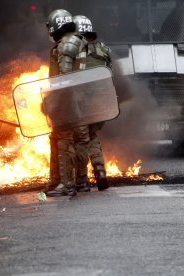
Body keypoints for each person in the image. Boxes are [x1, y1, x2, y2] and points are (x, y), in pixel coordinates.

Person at [44, 9, 88, 197]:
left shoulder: (66, 44)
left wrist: (53, 103)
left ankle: (67, 185)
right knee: (73, 140)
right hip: (80, 100)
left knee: (63, 141)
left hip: (67, 101)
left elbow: (64, 78)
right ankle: (74, 181)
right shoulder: (77, 40)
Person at [72, 15, 112, 191]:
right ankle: (100, 170)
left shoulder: (75, 51)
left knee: (80, 139)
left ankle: (81, 180)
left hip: (82, 102)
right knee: (92, 135)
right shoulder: (103, 49)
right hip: (102, 102)